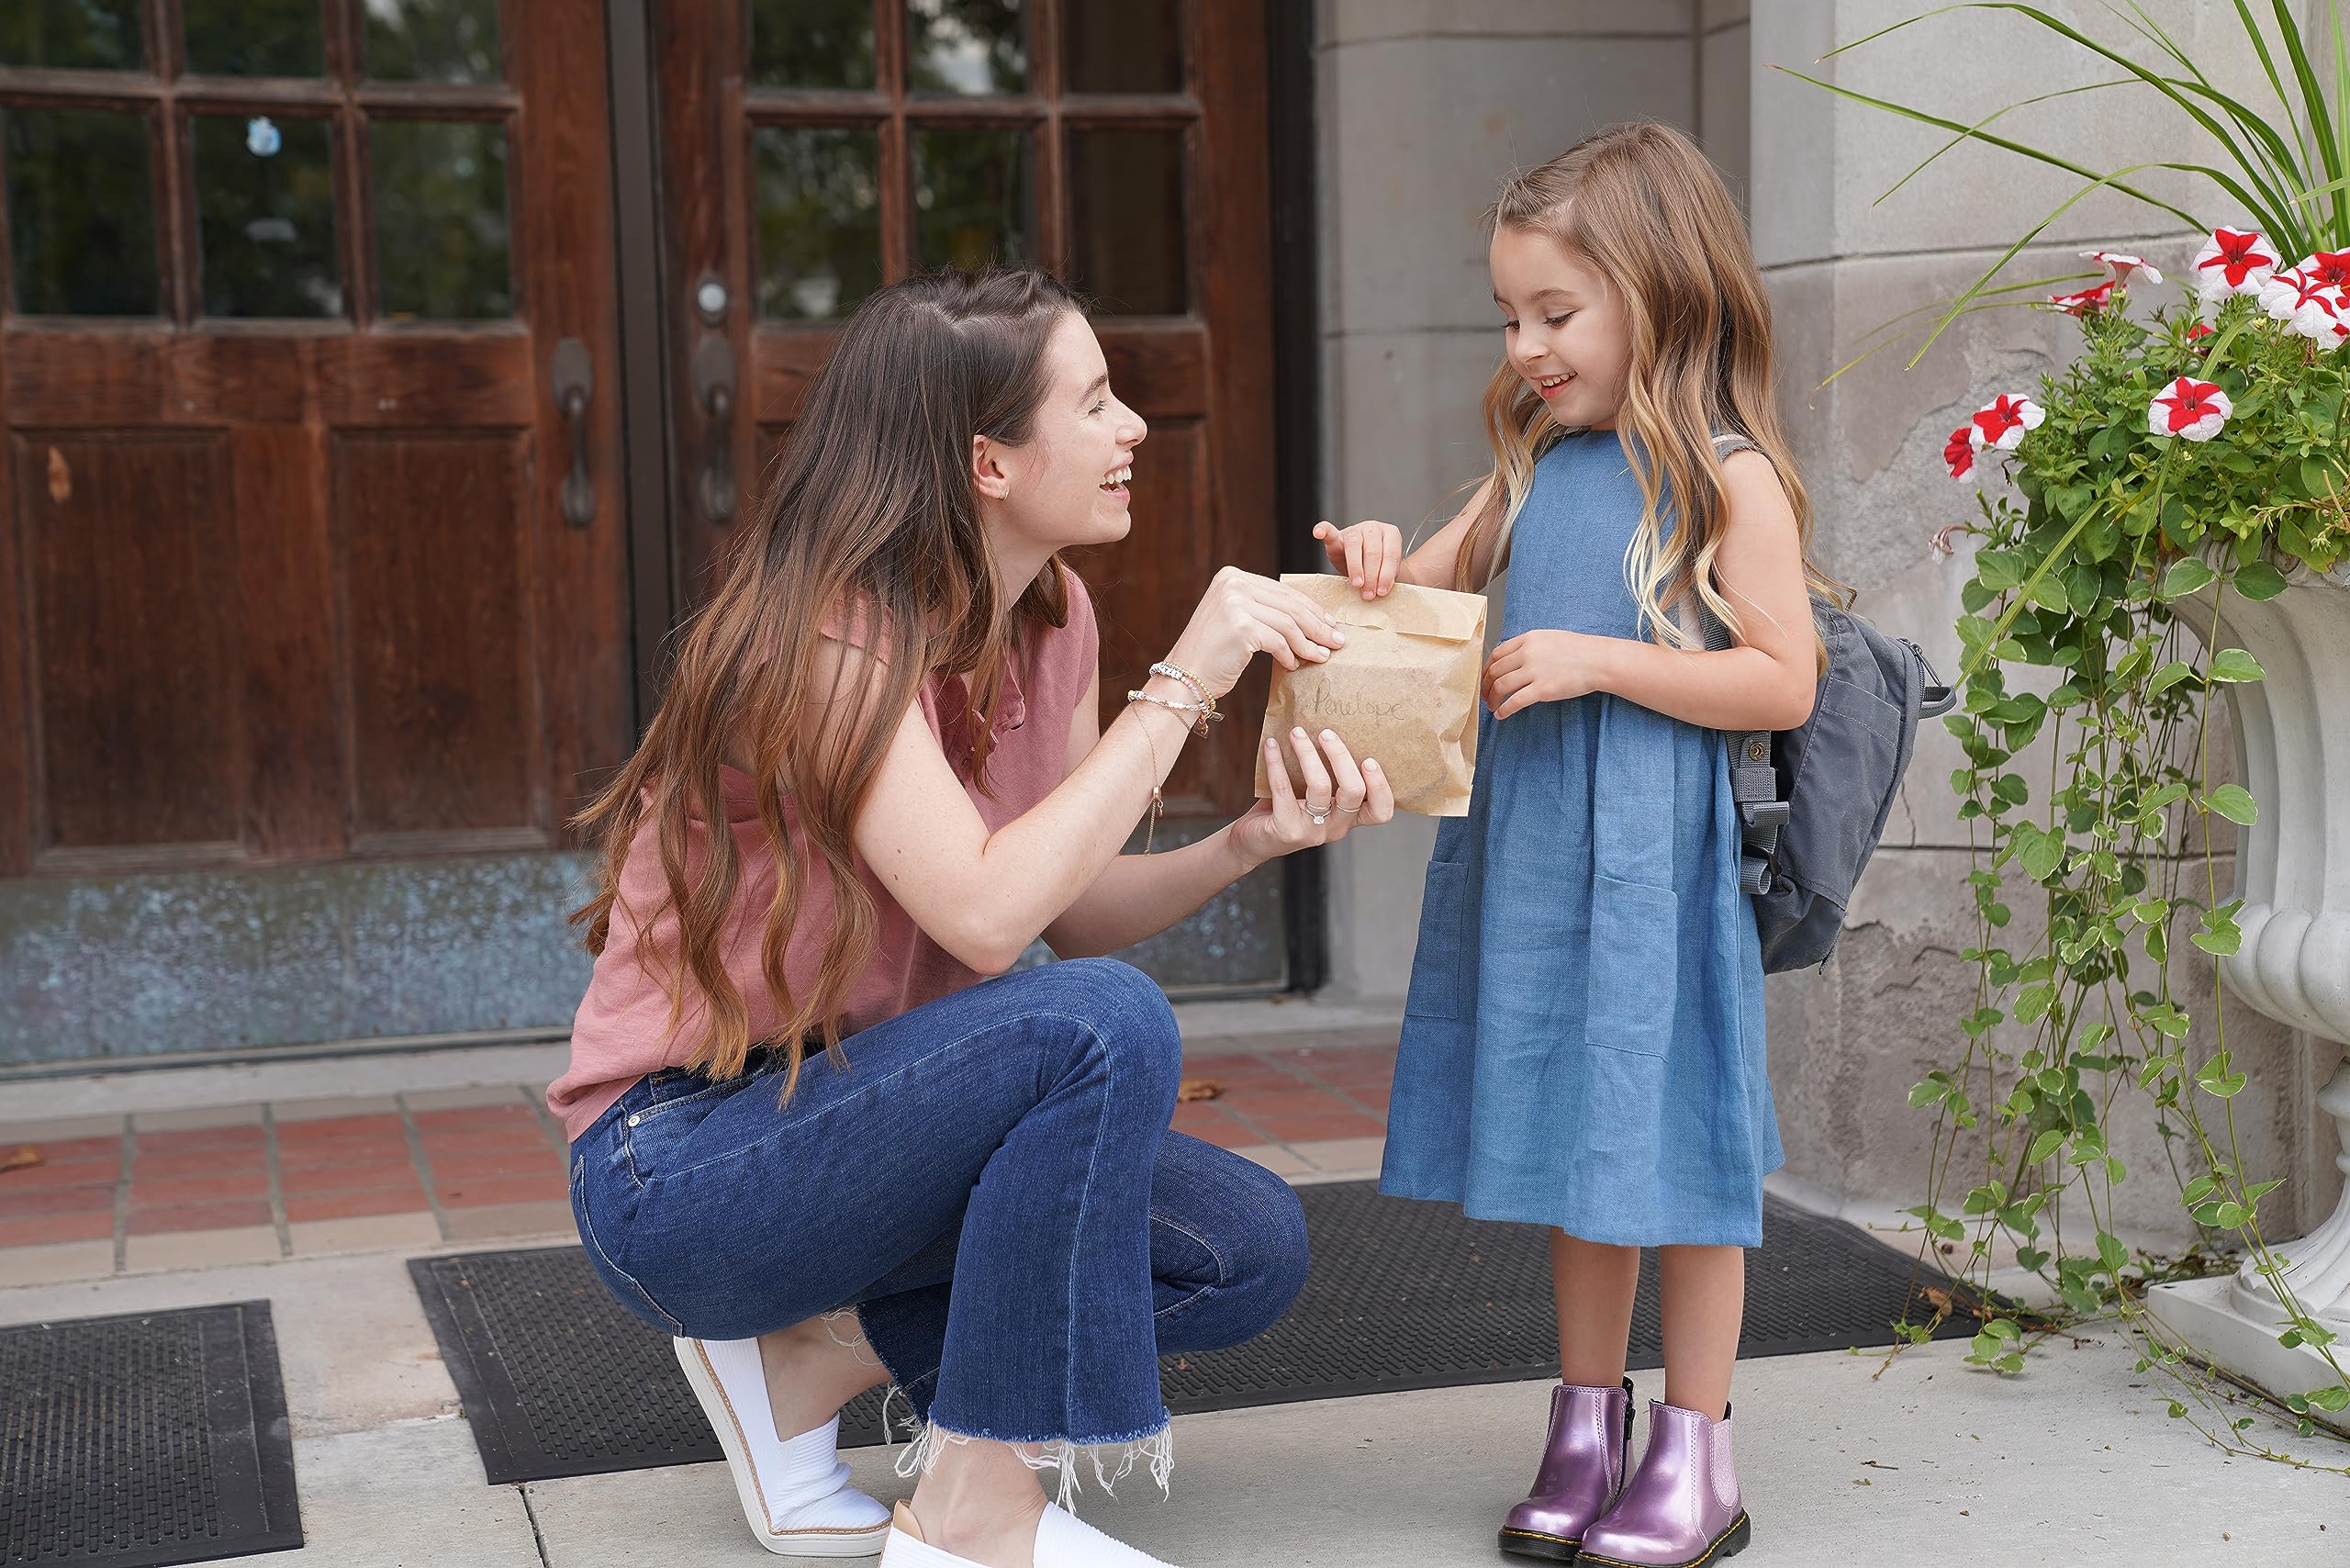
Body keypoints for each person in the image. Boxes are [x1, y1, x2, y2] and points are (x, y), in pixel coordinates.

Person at [546, 267, 1396, 1568]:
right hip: (685, 1164)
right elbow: (992, 921)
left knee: (1239, 1250)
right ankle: (973, 1519)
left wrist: (1245, 844)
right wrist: (1188, 682)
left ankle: (797, 1373)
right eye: (1097, 401)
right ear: (989, 462)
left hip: (876, 1119)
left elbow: (1076, 914)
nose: (1134, 431)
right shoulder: (827, 641)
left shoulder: (1054, 613)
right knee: (1099, 1029)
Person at [1315, 122, 1843, 1568]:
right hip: (1543, 851)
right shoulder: (1536, 462)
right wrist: (1375, 554)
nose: (1528, 344)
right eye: (1511, 315)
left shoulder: (1728, 478)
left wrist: (1605, 662)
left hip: (1661, 863)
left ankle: (1698, 1449)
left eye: (1558, 311)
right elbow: (1412, 593)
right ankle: (1583, 1424)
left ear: (1661, 291)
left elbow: (1781, 679)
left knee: (1675, 1134)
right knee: (1572, 1135)